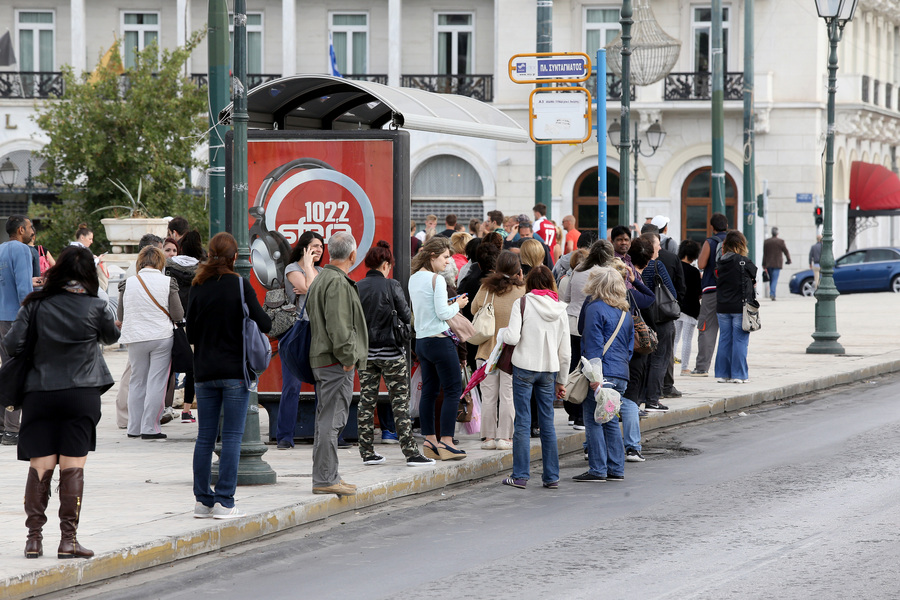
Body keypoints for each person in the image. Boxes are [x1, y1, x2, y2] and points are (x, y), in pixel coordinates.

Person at [6, 245, 120, 559]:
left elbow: (12, 344)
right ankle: (68, 541)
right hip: (81, 396)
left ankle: (33, 539)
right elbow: (111, 338)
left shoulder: (35, 304)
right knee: (72, 468)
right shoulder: (96, 306)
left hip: (40, 394)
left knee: (40, 467)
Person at [187, 233, 271, 518]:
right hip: (235, 372)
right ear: (235, 257)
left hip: (204, 371)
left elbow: (190, 333)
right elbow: (265, 322)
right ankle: (225, 501)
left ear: (209, 254)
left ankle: (202, 501)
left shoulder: (197, 285)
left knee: (205, 438)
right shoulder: (239, 284)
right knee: (233, 437)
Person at [355, 241, 434, 467]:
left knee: (366, 402)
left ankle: (367, 452)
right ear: (386, 264)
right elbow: (407, 316)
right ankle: (411, 453)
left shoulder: (357, 286)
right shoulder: (392, 285)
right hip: (392, 354)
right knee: (399, 403)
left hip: (366, 355)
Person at [306, 232, 368, 495]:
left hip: (326, 360)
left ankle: (329, 475)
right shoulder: (338, 283)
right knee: (332, 421)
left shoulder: (322, 279)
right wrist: (347, 359)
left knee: (327, 420)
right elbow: (340, 327)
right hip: (334, 362)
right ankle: (325, 479)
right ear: (352, 255)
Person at [501, 266, 569, 490]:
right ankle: (551, 476)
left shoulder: (522, 303)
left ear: (529, 282)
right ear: (551, 283)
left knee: (522, 421)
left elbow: (511, 337)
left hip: (524, 368)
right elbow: (565, 352)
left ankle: (520, 475)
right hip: (549, 370)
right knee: (547, 423)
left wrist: (501, 333)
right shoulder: (560, 308)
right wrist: (562, 380)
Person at [409, 236, 469, 461]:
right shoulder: (437, 280)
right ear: (432, 256)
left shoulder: (414, 278)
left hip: (422, 341)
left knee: (430, 391)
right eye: (445, 257)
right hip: (440, 340)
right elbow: (443, 314)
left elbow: (429, 309)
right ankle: (446, 441)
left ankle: (430, 440)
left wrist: (449, 305)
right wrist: (459, 305)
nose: (448, 262)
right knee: (453, 390)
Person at [117, 246, 183, 441]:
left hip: (136, 337)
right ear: (160, 262)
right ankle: (150, 427)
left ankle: (134, 426)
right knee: (157, 382)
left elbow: (121, 315)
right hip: (161, 337)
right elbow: (178, 314)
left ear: (140, 262)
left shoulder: (127, 284)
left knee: (137, 381)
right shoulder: (168, 282)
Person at [574, 267, 633, 482]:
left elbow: (593, 345)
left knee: (594, 420)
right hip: (620, 374)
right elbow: (629, 347)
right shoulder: (625, 311)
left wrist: (595, 377)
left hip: (601, 373)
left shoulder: (594, 308)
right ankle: (616, 468)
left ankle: (598, 468)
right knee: (610, 420)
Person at [471, 251, 526, 451]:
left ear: (497, 268)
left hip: (486, 352)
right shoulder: (522, 292)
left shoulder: (486, 288)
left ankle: (488, 438)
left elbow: (473, 309)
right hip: (511, 353)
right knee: (508, 395)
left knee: (489, 396)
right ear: (518, 271)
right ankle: (505, 438)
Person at [274, 231, 325, 450]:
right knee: (292, 386)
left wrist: (309, 285)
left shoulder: (322, 271)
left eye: (321, 246)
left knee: (323, 385)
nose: (319, 250)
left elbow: (313, 290)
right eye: (314, 246)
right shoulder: (292, 268)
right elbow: (308, 289)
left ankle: (328, 434)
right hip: (295, 331)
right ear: (304, 248)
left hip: (318, 332)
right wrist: (307, 273)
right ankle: (285, 435)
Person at [561, 239, 615, 429]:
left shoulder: (577, 270)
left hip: (571, 323)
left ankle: (572, 410)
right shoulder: (604, 274)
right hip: (592, 325)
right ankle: (582, 416)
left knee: (573, 367)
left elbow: (566, 297)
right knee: (590, 369)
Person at [114, 234, 163, 430]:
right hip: (146, 330)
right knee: (135, 376)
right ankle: (130, 418)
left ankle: (133, 421)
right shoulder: (135, 275)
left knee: (135, 377)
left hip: (136, 332)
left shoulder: (132, 273)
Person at [0, 215, 35, 446]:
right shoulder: (22, 250)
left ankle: (3, 426)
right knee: (17, 373)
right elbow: (24, 288)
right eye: (31, 227)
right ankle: (12, 430)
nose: (33, 230)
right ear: (21, 230)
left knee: (5, 370)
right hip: (15, 319)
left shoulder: (1, 249)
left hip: (1, 316)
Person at [165, 231, 204, 424]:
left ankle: (164, 407)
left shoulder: (169, 267)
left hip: (171, 322)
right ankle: (187, 411)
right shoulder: (202, 269)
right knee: (192, 368)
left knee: (168, 366)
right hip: (195, 323)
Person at [639, 232, 677, 412]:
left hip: (642, 318)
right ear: (650, 246)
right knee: (660, 358)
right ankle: (653, 399)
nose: (660, 248)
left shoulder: (633, 266)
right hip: (661, 318)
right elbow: (671, 293)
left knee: (644, 359)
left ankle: (640, 397)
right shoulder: (656, 266)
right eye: (657, 244)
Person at [714, 231, 758, 383]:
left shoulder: (720, 261)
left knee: (724, 339)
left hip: (722, 306)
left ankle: (722, 373)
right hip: (740, 306)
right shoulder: (744, 261)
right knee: (740, 340)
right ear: (742, 244)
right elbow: (754, 274)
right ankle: (738, 375)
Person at [691, 213, 728, 377]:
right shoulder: (735, 240)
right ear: (726, 225)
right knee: (730, 330)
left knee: (707, 329)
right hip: (731, 292)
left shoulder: (710, 242)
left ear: (712, 227)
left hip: (712, 290)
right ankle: (729, 368)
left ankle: (702, 367)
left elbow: (701, 264)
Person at [674, 240, 702, 376]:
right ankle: (684, 367)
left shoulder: (675, 267)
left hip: (676, 307)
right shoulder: (694, 271)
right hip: (690, 309)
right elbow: (698, 292)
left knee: (674, 338)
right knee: (687, 339)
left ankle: (669, 365)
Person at [762, 227, 792, 300]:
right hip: (777, 264)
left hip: (768, 263)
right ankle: (772, 294)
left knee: (772, 279)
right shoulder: (780, 241)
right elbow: (786, 251)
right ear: (777, 234)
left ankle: (773, 294)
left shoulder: (766, 242)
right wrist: (789, 260)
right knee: (774, 279)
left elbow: (765, 254)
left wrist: (763, 263)